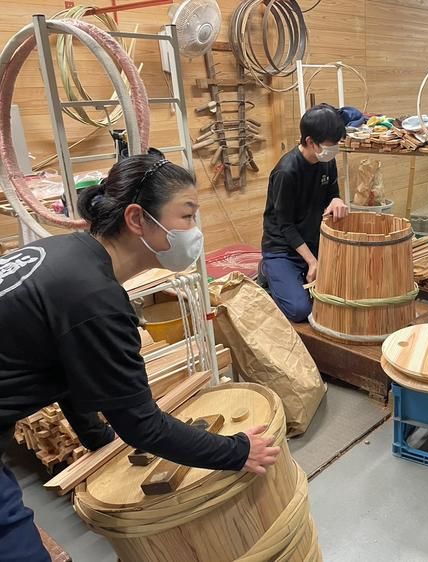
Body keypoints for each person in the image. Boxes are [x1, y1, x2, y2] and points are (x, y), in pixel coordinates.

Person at [0, 153, 280, 561]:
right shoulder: (94, 297)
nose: (195, 231)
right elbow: (142, 425)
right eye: (187, 216)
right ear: (136, 219)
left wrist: (99, 441)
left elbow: (70, 369)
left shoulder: (66, 254)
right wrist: (237, 451)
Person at [261, 104, 349, 323]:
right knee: (300, 310)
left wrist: (337, 200)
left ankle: (295, 276)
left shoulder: (326, 161)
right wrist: (313, 262)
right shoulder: (286, 172)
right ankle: (267, 270)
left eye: (337, 143)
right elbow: (285, 226)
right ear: (310, 142)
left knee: (346, 291)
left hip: (313, 243)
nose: (334, 149)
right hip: (283, 249)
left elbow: (332, 193)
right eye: (330, 144)